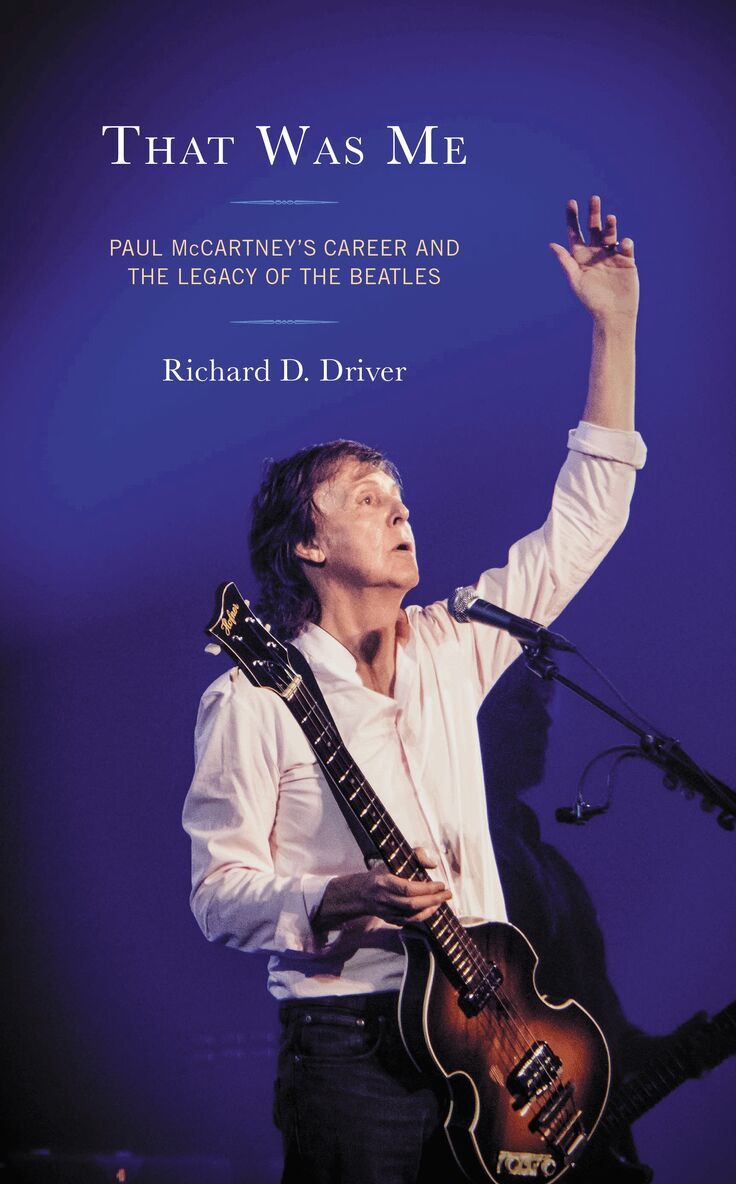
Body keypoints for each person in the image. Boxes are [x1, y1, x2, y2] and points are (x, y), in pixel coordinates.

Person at [182, 195, 647, 1184]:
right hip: (352, 1047)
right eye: (367, 499)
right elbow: (218, 898)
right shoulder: (252, 698)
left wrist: (615, 325)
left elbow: (586, 520)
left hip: (492, 1035)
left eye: (400, 498)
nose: (401, 513)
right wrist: (340, 894)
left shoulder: (451, 644)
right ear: (307, 545)